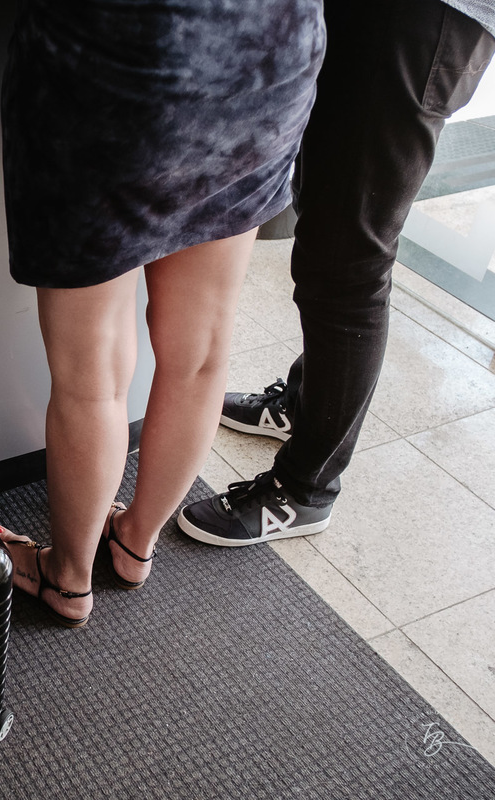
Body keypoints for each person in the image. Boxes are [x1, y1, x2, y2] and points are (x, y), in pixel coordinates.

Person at [0, 0, 326, 626]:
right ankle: (134, 543)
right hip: (266, 60)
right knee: (201, 354)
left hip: (116, 62)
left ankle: (67, 580)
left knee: (90, 377)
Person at [178, 0, 495, 547]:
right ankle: (304, 405)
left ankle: (305, 491)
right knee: (324, 215)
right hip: (377, 15)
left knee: (350, 261)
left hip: (425, 17)